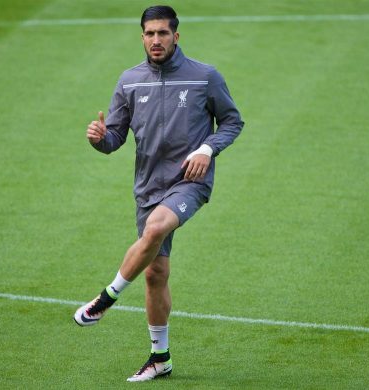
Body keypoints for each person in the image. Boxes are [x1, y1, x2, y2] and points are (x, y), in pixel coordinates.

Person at [74, 5, 244, 382]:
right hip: (148, 186)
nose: (156, 40)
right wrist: (101, 140)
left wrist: (207, 149)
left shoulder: (204, 77)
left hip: (190, 180)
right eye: (149, 34)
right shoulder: (130, 81)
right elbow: (115, 137)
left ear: (176, 36)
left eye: (163, 34)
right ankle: (160, 358)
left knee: (156, 228)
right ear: (142, 37)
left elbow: (232, 120)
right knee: (155, 274)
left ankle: (106, 299)